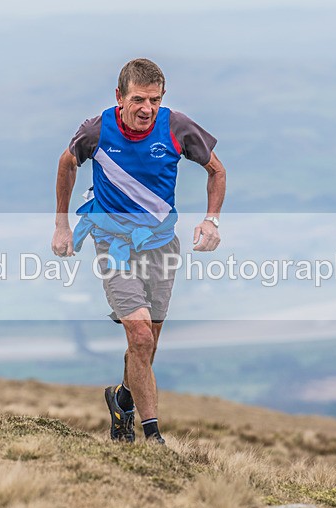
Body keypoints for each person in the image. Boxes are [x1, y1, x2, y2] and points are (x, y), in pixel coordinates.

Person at [51, 58, 226, 444]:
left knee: (147, 344)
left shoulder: (176, 127)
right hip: (112, 243)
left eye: (155, 100)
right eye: (139, 99)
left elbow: (217, 171)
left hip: (162, 244)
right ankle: (153, 437)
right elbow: (67, 163)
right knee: (141, 336)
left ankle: (122, 398)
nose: (147, 108)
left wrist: (211, 220)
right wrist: (62, 224)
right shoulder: (97, 129)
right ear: (120, 97)